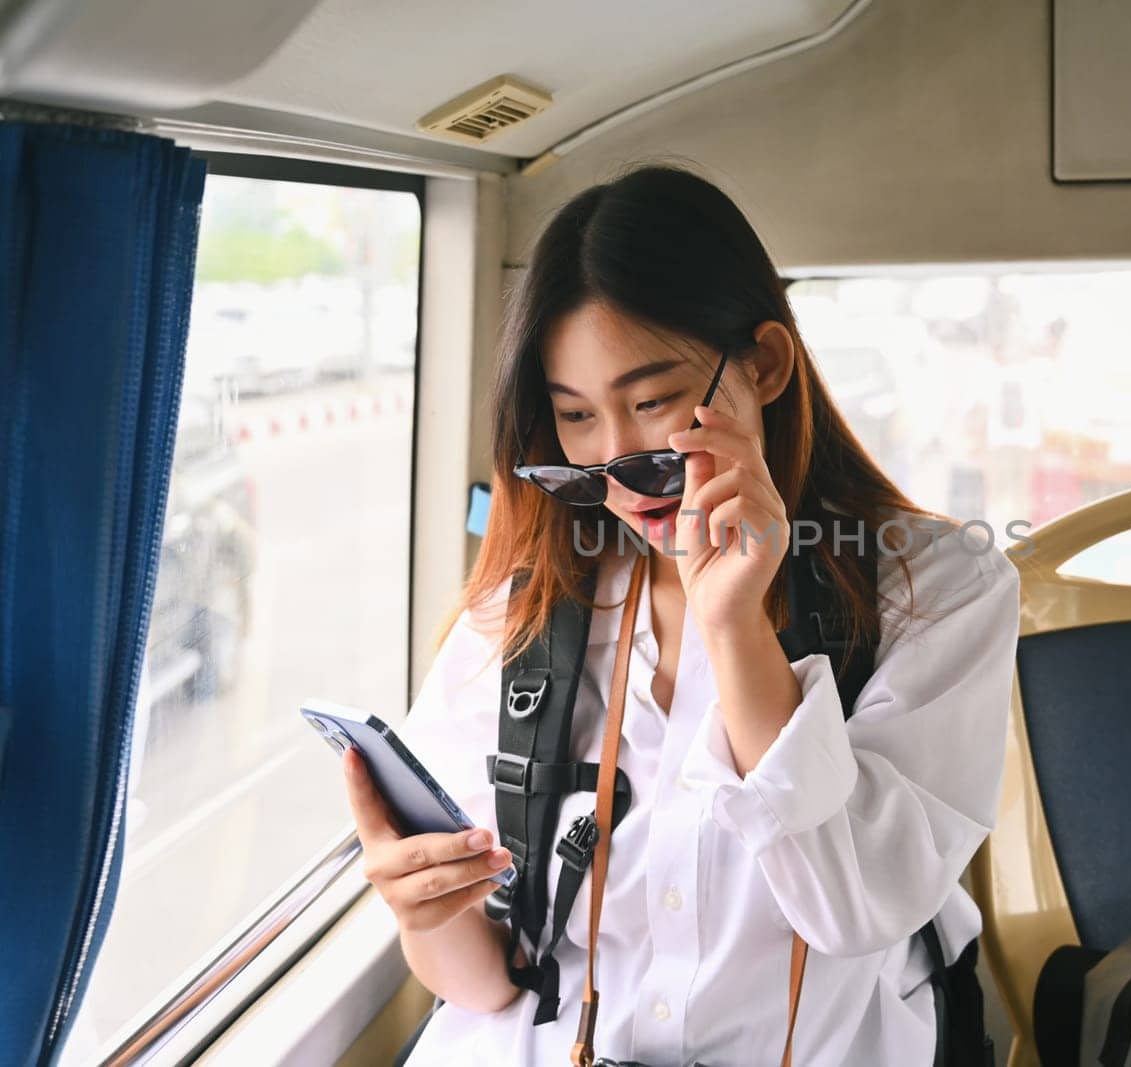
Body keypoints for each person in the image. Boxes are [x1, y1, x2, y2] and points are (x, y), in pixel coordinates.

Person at [341, 164, 1020, 1065]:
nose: (616, 460)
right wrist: (424, 911)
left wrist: (735, 624)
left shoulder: (940, 586)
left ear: (766, 364)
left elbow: (850, 908)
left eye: (653, 402)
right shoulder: (528, 602)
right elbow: (493, 985)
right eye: (578, 417)